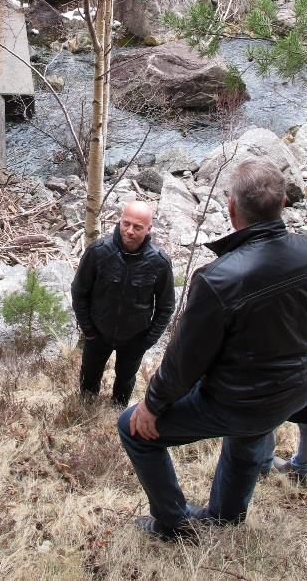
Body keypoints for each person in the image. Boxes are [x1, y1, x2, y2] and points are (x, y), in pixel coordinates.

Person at [118, 157, 307, 541]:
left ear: (232, 208)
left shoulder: (218, 279)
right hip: (295, 390)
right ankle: (226, 515)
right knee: (251, 430)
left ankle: (173, 523)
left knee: (132, 429)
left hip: (240, 402)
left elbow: (185, 361)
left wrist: (152, 405)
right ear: (283, 204)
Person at [71, 201, 174, 407]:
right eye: (126, 224)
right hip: (97, 333)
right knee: (89, 376)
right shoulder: (98, 252)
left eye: (137, 227)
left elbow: (166, 307)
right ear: (119, 221)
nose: (129, 231)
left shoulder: (159, 262)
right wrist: (88, 329)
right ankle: (84, 410)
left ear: (149, 229)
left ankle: (117, 413)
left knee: (126, 380)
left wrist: (147, 341)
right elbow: (79, 291)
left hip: (135, 338)